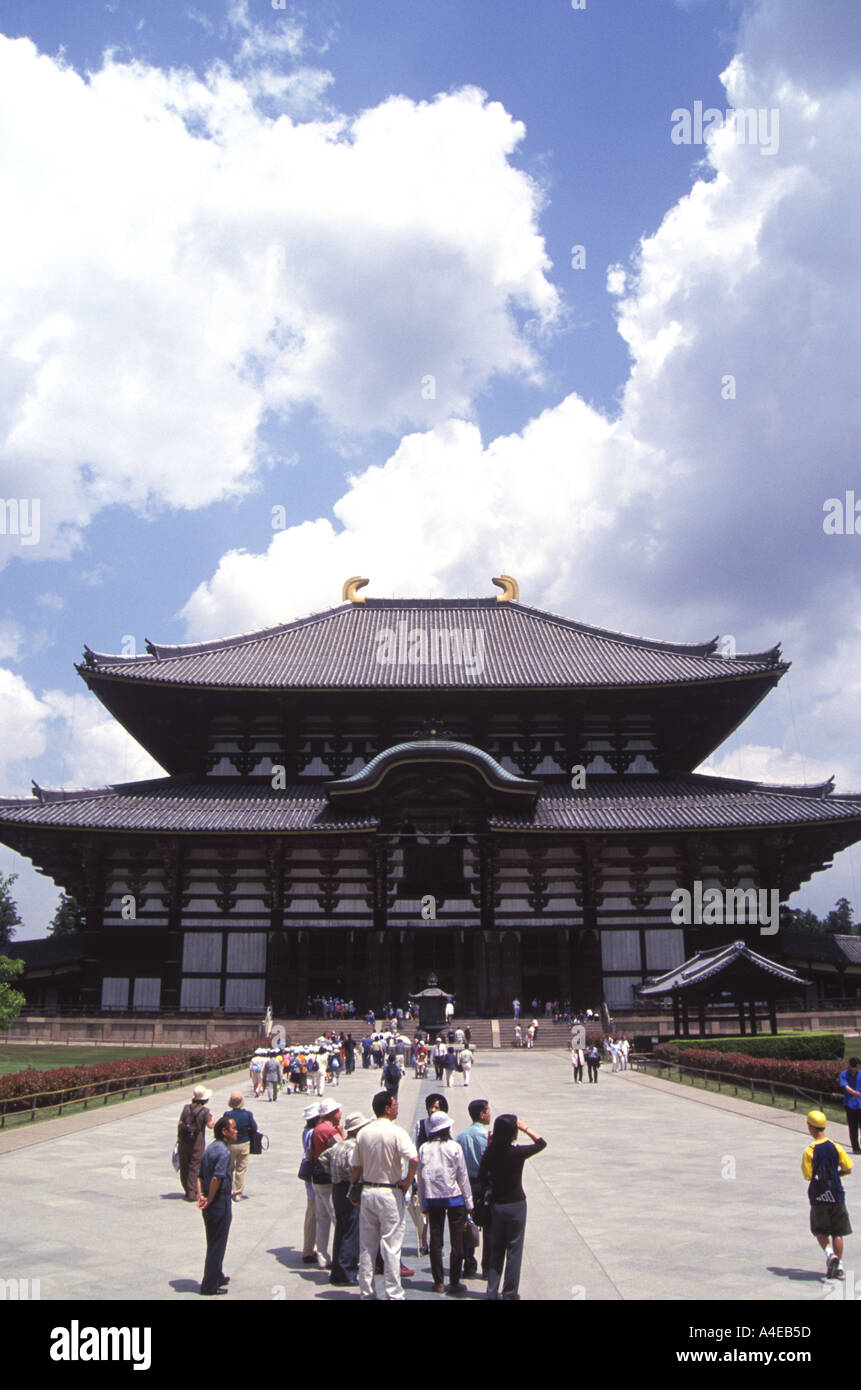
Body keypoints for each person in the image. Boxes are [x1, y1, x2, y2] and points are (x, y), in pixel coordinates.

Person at [350, 1091, 418, 1301]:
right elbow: (414, 1158)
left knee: (367, 1246)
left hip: (368, 1191)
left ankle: (367, 1292)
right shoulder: (396, 1132)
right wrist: (407, 1180)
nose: (397, 1107)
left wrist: (353, 1187)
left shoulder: (363, 1133)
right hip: (389, 1192)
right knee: (391, 1246)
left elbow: (355, 1167)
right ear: (387, 1108)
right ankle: (394, 1293)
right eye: (395, 1104)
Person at [478, 1115, 546, 1300]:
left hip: (496, 1205)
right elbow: (541, 1143)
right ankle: (509, 1293)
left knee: (496, 1251)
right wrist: (526, 1128)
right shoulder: (517, 1152)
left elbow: (482, 1176)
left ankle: (491, 1292)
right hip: (516, 1204)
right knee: (514, 1251)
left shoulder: (490, 1153)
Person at [417, 1110, 473, 1295]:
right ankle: (455, 1281)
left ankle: (438, 1282)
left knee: (436, 1241)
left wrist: (423, 1201)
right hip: (455, 1198)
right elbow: (462, 1176)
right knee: (457, 1242)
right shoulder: (454, 1147)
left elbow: (422, 1178)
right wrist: (469, 1203)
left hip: (433, 1200)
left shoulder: (424, 1148)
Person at [802, 1107, 853, 1281]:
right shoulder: (836, 1146)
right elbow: (848, 1167)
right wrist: (838, 1174)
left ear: (810, 1127)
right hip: (836, 1193)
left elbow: (807, 1175)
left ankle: (830, 1255)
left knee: (819, 1229)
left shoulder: (810, 1150)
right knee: (837, 1232)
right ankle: (839, 1267)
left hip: (818, 1194)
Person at [323, 1110, 371, 1286]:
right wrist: (352, 1179)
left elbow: (322, 1159)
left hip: (337, 1188)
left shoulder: (339, 1145)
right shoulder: (353, 1147)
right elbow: (355, 1168)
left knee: (341, 1229)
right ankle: (346, 1271)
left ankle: (338, 1270)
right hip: (349, 1188)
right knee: (351, 1230)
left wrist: (333, 1174)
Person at [197, 1114, 237, 1295]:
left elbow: (199, 1176)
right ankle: (209, 1285)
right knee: (217, 1244)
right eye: (233, 1128)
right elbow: (216, 1178)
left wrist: (201, 1195)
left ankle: (217, 1274)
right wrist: (211, 1198)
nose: (236, 1131)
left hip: (210, 1200)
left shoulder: (210, 1148)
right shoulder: (224, 1152)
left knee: (214, 1240)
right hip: (219, 1200)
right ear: (224, 1131)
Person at [458, 1098, 491, 1279]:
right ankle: (487, 1268)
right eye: (488, 1111)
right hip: (484, 1184)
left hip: (466, 1184)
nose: (490, 1114)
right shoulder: (486, 1137)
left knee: (467, 1225)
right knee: (488, 1227)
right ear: (482, 1114)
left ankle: (469, 1264)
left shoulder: (461, 1136)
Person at [311, 1099, 345, 1269]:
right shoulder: (329, 1130)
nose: (341, 1113)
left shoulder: (317, 1128)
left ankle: (322, 1256)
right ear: (332, 1113)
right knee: (336, 1217)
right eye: (338, 1111)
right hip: (328, 1178)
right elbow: (344, 1148)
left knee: (322, 1218)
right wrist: (342, 1132)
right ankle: (341, 1257)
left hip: (316, 1176)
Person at [177, 1085, 214, 1202]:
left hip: (184, 1141)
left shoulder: (186, 1108)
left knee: (184, 1166)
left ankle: (187, 1190)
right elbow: (210, 1126)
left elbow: (180, 1123)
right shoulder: (205, 1111)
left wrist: (179, 1137)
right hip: (197, 1143)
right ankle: (192, 1192)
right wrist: (212, 1118)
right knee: (194, 1166)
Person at [224, 1089, 259, 1201]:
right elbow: (254, 1128)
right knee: (241, 1169)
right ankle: (238, 1193)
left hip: (230, 1144)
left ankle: (228, 1189)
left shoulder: (227, 1115)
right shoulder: (248, 1114)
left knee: (229, 1168)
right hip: (244, 1143)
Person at [298, 1101, 321, 1264]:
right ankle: (309, 1250)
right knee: (314, 1213)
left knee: (311, 1211)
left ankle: (310, 1247)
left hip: (309, 1176)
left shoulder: (306, 1130)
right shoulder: (313, 1132)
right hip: (314, 1176)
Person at [839, 1056, 861, 1153]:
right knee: (853, 1127)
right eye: (855, 1067)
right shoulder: (844, 1075)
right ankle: (856, 1148)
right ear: (850, 1066)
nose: (857, 1069)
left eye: (858, 1066)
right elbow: (845, 1086)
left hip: (860, 1104)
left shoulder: (860, 1074)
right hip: (850, 1104)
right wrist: (854, 1092)